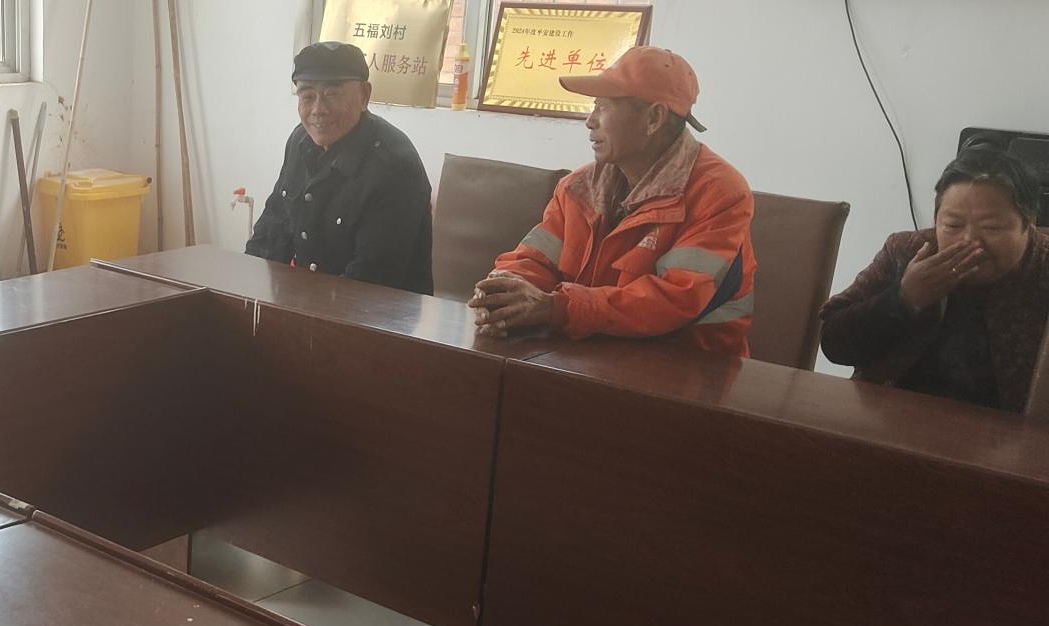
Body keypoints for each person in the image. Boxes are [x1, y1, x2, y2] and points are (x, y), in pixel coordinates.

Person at [471, 46, 757, 355]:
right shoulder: (578, 187)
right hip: (589, 354)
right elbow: (534, 260)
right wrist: (504, 290)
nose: (589, 121)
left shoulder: (720, 193)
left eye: (603, 107)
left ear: (653, 119)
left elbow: (675, 299)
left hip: (691, 365)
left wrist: (558, 307)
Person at [820, 144, 1047, 411]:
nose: (970, 241)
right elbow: (834, 345)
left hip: (1008, 430)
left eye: (992, 227)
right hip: (891, 415)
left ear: (1029, 223)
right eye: (953, 225)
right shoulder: (906, 251)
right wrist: (904, 299)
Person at [246, 41, 434, 295]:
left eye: (332, 94)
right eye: (307, 96)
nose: (318, 110)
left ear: (364, 96)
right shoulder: (300, 141)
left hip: (376, 312)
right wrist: (244, 294)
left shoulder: (394, 164)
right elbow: (271, 232)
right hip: (309, 303)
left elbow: (370, 282)